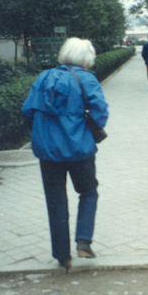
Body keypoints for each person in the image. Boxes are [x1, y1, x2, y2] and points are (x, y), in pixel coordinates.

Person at [22, 37, 109, 271]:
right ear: (86, 59)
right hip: (79, 149)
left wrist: (44, 129)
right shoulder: (86, 79)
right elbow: (100, 112)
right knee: (89, 192)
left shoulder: (44, 77)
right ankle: (83, 241)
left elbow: (27, 110)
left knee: (55, 200)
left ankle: (62, 255)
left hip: (48, 151)